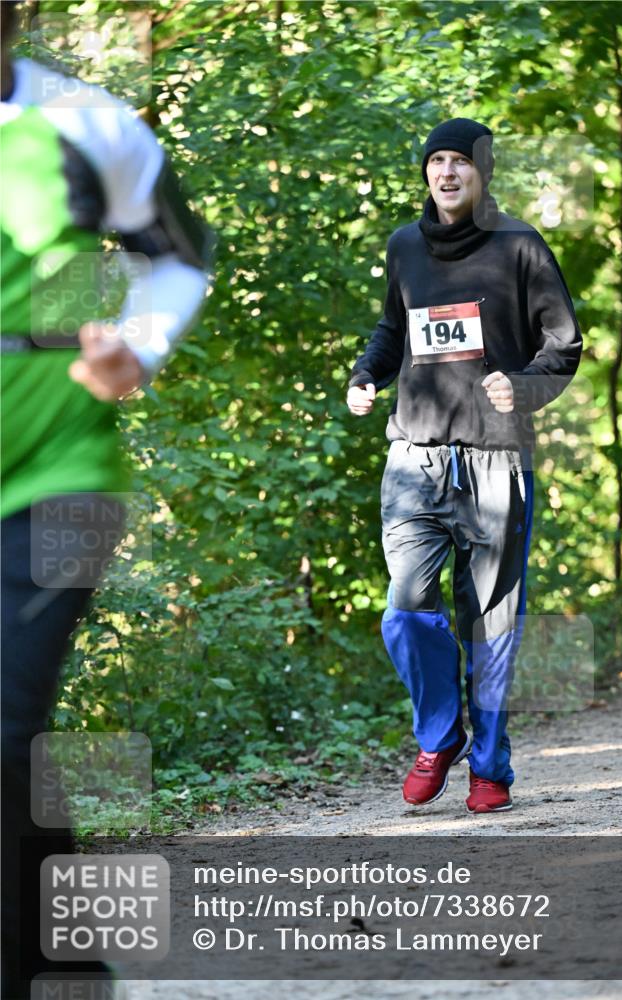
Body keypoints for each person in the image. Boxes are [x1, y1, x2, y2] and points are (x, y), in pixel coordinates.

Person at [1, 4, 212, 995]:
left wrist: (136, 341)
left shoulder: (84, 127)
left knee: (1, 727)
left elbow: (176, 254)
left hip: (55, 474)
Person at [347, 117, 582, 814]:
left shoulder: (519, 246)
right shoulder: (403, 247)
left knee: (491, 622)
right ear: (426, 172)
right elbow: (394, 327)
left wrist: (525, 385)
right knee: (406, 605)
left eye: (460, 163)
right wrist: (367, 375)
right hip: (413, 458)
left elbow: (562, 343)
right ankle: (440, 733)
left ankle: (488, 766)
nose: (446, 173)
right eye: (436, 161)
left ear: (482, 174)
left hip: (494, 459)